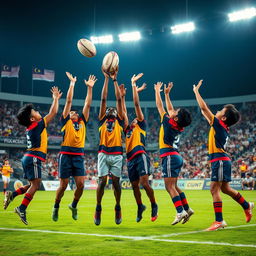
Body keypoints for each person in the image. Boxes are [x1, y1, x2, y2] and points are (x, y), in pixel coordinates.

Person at [193, 79, 254, 231]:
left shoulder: (219, 124)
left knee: (214, 189)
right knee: (225, 189)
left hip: (220, 160)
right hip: (221, 159)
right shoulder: (220, 125)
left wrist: (196, 91)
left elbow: (203, 107)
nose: (218, 111)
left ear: (224, 118)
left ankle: (219, 221)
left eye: (220, 111)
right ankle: (247, 205)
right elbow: (203, 111)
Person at [4, 86, 62, 225]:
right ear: (32, 119)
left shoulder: (31, 127)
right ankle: (21, 208)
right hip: (33, 157)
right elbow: (53, 112)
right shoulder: (37, 125)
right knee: (36, 185)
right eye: (35, 111)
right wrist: (55, 99)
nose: (37, 112)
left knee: (32, 184)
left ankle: (13, 195)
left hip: (28, 157)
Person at [52, 72, 97, 221]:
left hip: (78, 155)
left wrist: (89, 88)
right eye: (70, 111)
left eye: (74, 112)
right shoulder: (66, 121)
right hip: (65, 155)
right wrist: (72, 83)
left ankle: (74, 205)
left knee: (81, 185)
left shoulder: (83, 121)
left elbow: (87, 103)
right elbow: (69, 101)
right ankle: (56, 207)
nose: (72, 112)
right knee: (63, 185)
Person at [120, 73, 158, 222]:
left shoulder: (141, 126)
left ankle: (154, 204)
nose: (134, 119)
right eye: (133, 119)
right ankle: (140, 206)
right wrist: (122, 96)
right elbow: (123, 112)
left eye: (136, 118)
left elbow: (136, 105)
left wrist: (133, 85)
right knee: (134, 186)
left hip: (140, 154)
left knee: (143, 182)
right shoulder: (127, 130)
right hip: (130, 159)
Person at [154, 81, 193, 225]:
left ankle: (180, 211)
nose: (173, 110)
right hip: (176, 156)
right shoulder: (176, 124)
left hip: (169, 156)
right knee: (175, 186)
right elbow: (170, 109)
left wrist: (157, 92)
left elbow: (160, 107)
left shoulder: (169, 122)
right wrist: (167, 94)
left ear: (175, 118)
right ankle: (187, 209)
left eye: (176, 112)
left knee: (169, 187)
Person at [94, 67, 123, 226]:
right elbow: (104, 99)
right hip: (103, 153)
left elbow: (118, 101)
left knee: (117, 183)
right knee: (102, 182)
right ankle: (98, 208)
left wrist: (114, 80)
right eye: (109, 110)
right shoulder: (101, 120)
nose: (111, 109)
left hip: (118, 154)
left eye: (113, 110)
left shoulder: (119, 120)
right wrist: (105, 78)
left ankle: (117, 207)